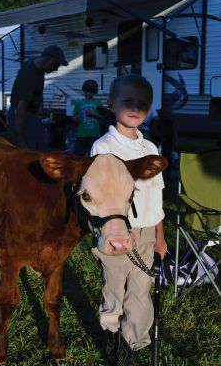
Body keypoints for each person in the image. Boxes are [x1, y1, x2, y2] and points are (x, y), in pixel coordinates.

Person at [90, 74, 167, 366]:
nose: (135, 108)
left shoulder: (151, 149)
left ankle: (129, 347)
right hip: (115, 234)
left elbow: (157, 196)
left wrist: (159, 236)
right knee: (114, 290)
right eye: (128, 102)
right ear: (111, 104)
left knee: (140, 292)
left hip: (146, 234)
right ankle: (111, 332)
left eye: (143, 104)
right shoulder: (103, 148)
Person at [8, 45, 68, 150]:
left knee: (42, 144)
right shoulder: (30, 76)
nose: (56, 68)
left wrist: (40, 109)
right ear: (50, 61)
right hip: (22, 116)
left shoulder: (37, 65)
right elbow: (20, 110)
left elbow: (39, 91)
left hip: (31, 114)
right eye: (56, 65)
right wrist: (21, 139)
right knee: (31, 151)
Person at [73, 79, 103, 155]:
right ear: (84, 90)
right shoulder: (79, 103)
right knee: (78, 156)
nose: (88, 93)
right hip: (81, 135)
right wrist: (75, 118)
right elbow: (74, 117)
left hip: (94, 135)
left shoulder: (98, 103)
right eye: (87, 91)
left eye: (91, 91)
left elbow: (102, 117)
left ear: (94, 92)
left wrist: (94, 115)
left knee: (94, 157)